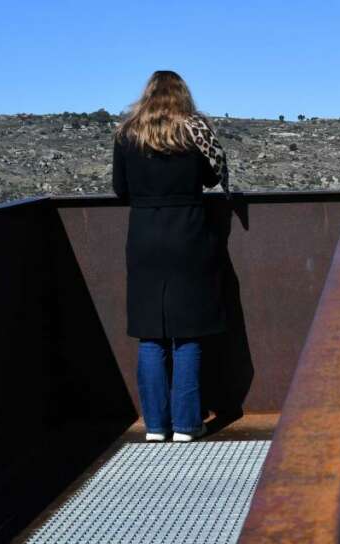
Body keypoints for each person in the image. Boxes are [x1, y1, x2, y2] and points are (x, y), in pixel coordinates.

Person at [111, 70, 230, 442]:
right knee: (188, 333)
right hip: (189, 235)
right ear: (183, 95)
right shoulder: (194, 130)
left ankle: (155, 426)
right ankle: (186, 424)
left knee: (151, 336)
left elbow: (120, 189)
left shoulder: (128, 132)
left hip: (144, 236)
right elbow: (213, 178)